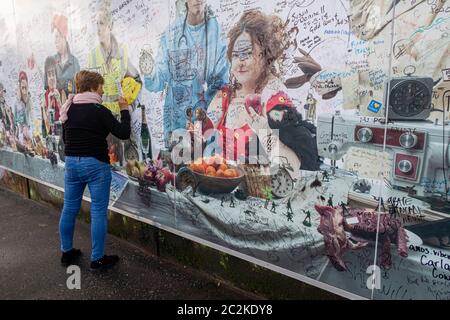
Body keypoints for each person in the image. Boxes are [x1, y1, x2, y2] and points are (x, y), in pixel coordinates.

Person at [206, 11, 321, 178]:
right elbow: (197, 138)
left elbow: (291, 171)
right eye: (236, 55)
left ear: (266, 56)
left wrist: (265, 132)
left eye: (248, 54)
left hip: (261, 193)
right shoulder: (225, 96)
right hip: (223, 187)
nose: (240, 62)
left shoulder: (274, 97)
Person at [59, 70, 131, 270]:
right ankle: (97, 259)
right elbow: (123, 133)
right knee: (98, 211)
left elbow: (66, 139)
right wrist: (124, 110)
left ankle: (67, 253)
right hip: (95, 165)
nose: (102, 91)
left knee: (69, 208)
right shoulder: (99, 110)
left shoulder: (69, 109)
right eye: (100, 87)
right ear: (91, 87)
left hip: (72, 164)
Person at [143, 0, 229, 145]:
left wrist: (202, 114)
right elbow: (158, 81)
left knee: (204, 166)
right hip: (176, 123)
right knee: (175, 165)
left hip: (205, 124)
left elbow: (221, 82)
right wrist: (150, 71)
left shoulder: (217, 31)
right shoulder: (171, 34)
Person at [51, 14, 80, 99]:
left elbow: (79, 89)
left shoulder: (74, 62)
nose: (55, 41)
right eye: (54, 37)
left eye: (57, 37)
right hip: (57, 108)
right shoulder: (52, 61)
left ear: (64, 36)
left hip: (72, 107)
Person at [41, 56, 63, 138]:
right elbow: (47, 126)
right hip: (51, 136)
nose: (51, 78)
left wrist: (58, 101)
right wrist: (49, 104)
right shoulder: (45, 97)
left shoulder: (62, 92)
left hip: (62, 135)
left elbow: (66, 119)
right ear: (46, 78)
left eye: (53, 74)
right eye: (49, 74)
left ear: (56, 75)